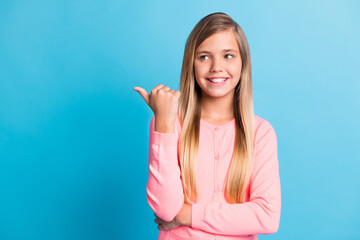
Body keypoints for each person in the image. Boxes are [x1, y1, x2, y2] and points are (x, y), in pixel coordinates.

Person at [133, 12, 281, 240]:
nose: (216, 67)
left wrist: (187, 214)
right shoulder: (168, 123)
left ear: (243, 63)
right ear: (191, 63)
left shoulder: (260, 132)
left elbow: (267, 216)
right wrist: (164, 122)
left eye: (228, 56)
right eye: (204, 57)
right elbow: (165, 209)